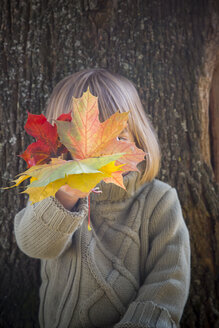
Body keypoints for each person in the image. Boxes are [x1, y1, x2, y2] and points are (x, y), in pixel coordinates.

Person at [14, 68, 190, 328]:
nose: (103, 153)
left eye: (118, 137)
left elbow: (168, 282)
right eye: (86, 142)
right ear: (60, 143)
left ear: (139, 139)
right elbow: (33, 245)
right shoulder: (52, 189)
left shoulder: (159, 199)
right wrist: (66, 196)